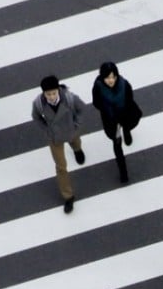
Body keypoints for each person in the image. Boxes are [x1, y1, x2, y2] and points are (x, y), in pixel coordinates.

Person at [32, 75, 86, 213]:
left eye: (53, 93)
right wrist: (47, 130)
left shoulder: (69, 98)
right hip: (54, 137)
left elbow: (82, 108)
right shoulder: (39, 103)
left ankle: (77, 150)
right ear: (43, 93)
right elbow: (36, 117)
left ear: (58, 90)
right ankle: (68, 196)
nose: (51, 96)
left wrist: (76, 126)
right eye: (48, 94)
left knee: (75, 142)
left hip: (70, 130)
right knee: (61, 167)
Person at [91, 61, 142, 184]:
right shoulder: (98, 88)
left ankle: (127, 130)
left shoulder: (124, 84)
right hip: (111, 120)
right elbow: (96, 103)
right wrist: (108, 110)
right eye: (108, 77)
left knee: (131, 122)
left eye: (113, 77)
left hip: (125, 114)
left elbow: (130, 99)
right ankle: (123, 172)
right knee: (117, 143)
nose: (111, 80)